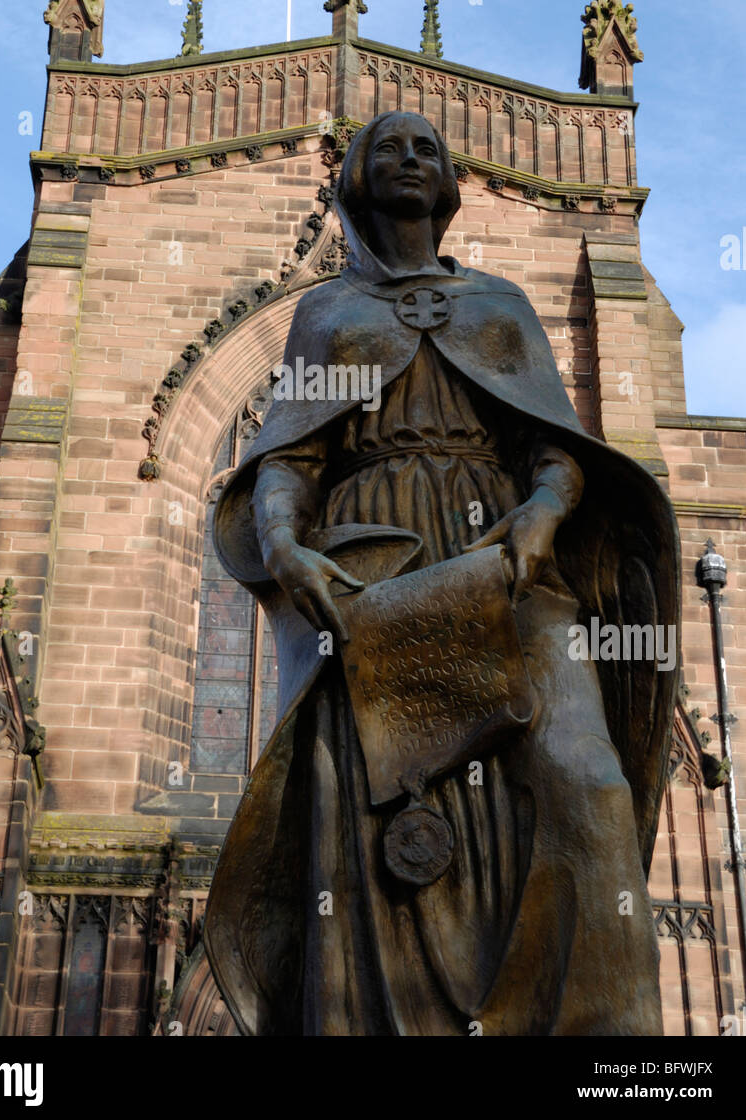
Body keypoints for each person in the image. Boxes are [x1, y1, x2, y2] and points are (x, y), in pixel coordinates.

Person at [205, 112, 680, 1036]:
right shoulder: (328, 316)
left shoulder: (499, 307)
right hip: (376, 574)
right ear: (355, 178)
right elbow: (289, 462)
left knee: (589, 786)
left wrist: (544, 511)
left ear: (451, 182)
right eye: (390, 148)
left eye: (428, 148)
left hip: (503, 563)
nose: (411, 160)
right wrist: (282, 545)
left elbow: (556, 446)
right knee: (367, 825)